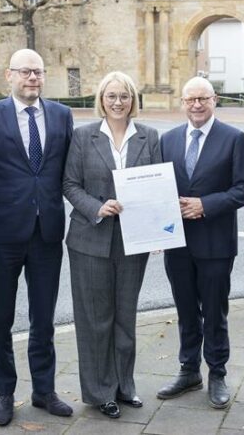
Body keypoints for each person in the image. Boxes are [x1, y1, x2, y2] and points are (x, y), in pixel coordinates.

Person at [0, 49, 73, 426]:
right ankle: (5, 391)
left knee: (44, 317)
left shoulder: (62, 115)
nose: (32, 77)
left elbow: (69, 170)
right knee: (0, 317)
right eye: (25, 72)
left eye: (38, 72)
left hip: (46, 231)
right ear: (9, 75)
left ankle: (44, 390)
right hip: (2, 232)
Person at [62, 71, 161, 419]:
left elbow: (158, 187)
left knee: (125, 316)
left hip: (133, 241)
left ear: (133, 99)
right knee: (95, 319)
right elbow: (70, 184)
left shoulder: (149, 136)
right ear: (101, 100)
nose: (118, 102)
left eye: (124, 96)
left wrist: (158, 232)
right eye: (111, 96)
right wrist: (96, 207)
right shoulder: (83, 136)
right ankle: (100, 391)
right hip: (90, 238)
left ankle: (124, 385)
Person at [156, 77, 244, 409]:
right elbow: (155, 189)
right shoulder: (167, 140)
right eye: (190, 100)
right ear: (182, 103)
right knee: (185, 310)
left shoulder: (233, 138)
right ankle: (188, 370)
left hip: (215, 242)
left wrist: (207, 205)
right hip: (177, 242)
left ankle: (217, 373)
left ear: (215, 100)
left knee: (214, 311)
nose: (196, 105)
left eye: (203, 98)